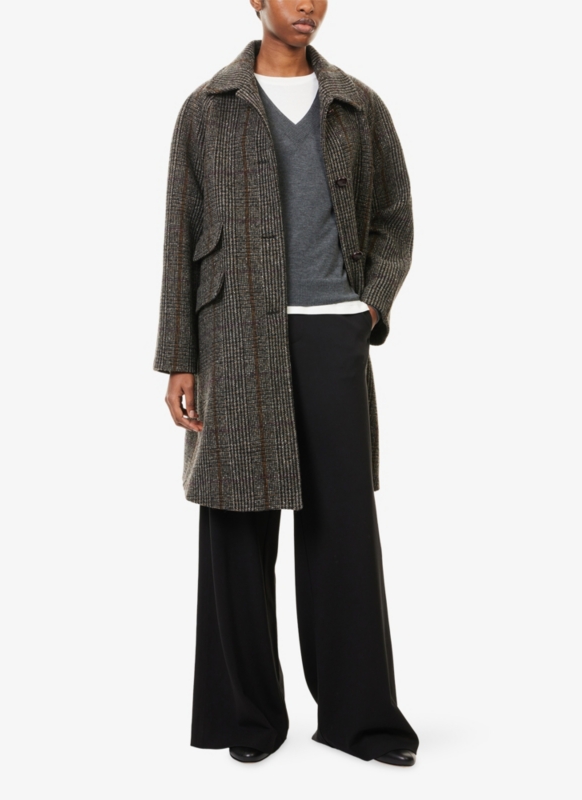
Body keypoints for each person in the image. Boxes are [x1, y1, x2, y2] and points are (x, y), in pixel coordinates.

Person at [153, 0, 419, 765]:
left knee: (344, 531)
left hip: (334, 333)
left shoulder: (359, 107)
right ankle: (247, 720)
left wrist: (369, 305)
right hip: (233, 337)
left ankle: (362, 721)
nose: (308, 5)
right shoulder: (207, 109)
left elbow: (395, 219)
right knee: (236, 524)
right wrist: (179, 356)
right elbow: (179, 235)